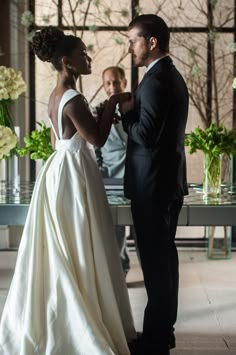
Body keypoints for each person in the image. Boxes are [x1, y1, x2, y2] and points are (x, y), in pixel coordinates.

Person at [0, 26, 136, 354]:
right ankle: (83, 320)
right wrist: (114, 102)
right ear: (66, 61)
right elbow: (97, 139)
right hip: (75, 171)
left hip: (59, 168)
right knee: (81, 239)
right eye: (82, 55)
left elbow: (57, 141)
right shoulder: (73, 98)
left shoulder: (54, 96)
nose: (88, 58)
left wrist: (104, 111)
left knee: (69, 241)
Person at [119, 14, 189, 355]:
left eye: (132, 40)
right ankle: (164, 331)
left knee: (156, 264)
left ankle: (156, 339)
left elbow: (145, 135)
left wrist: (126, 113)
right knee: (164, 261)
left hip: (154, 186)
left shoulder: (157, 80)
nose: (129, 46)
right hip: (164, 182)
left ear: (151, 42)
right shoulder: (166, 76)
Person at [93, 66, 130, 277]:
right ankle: (120, 271)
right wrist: (99, 172)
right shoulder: (98, 112)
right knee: (116, 228)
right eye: (107, 83)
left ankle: (150, 272)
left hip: (137, 177)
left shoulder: (137, 108)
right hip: (111, 179)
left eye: (116, 82)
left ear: (124, 83)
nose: (112, 87)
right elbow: (95, 148)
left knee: (143, 230)